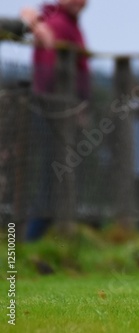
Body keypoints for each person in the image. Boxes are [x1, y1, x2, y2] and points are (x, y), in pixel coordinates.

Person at [20, 0, 89, 241]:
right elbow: (50, 67)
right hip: (53, 112)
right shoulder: (58, 24)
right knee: (52, 181)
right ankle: (25, 241)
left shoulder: (65, 24)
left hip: (62, 111)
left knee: (55, 181)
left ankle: (34, 240)